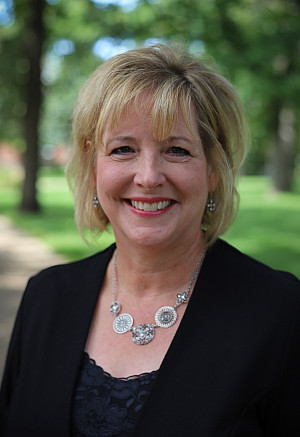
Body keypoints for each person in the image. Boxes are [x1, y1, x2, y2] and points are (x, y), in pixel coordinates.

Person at [0, 44, 299, 437]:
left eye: (176, 150)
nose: (148, 177)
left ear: (213, 168)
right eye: (123, 149)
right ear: (94, 165)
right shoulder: (45, 296)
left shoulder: (282, 314)